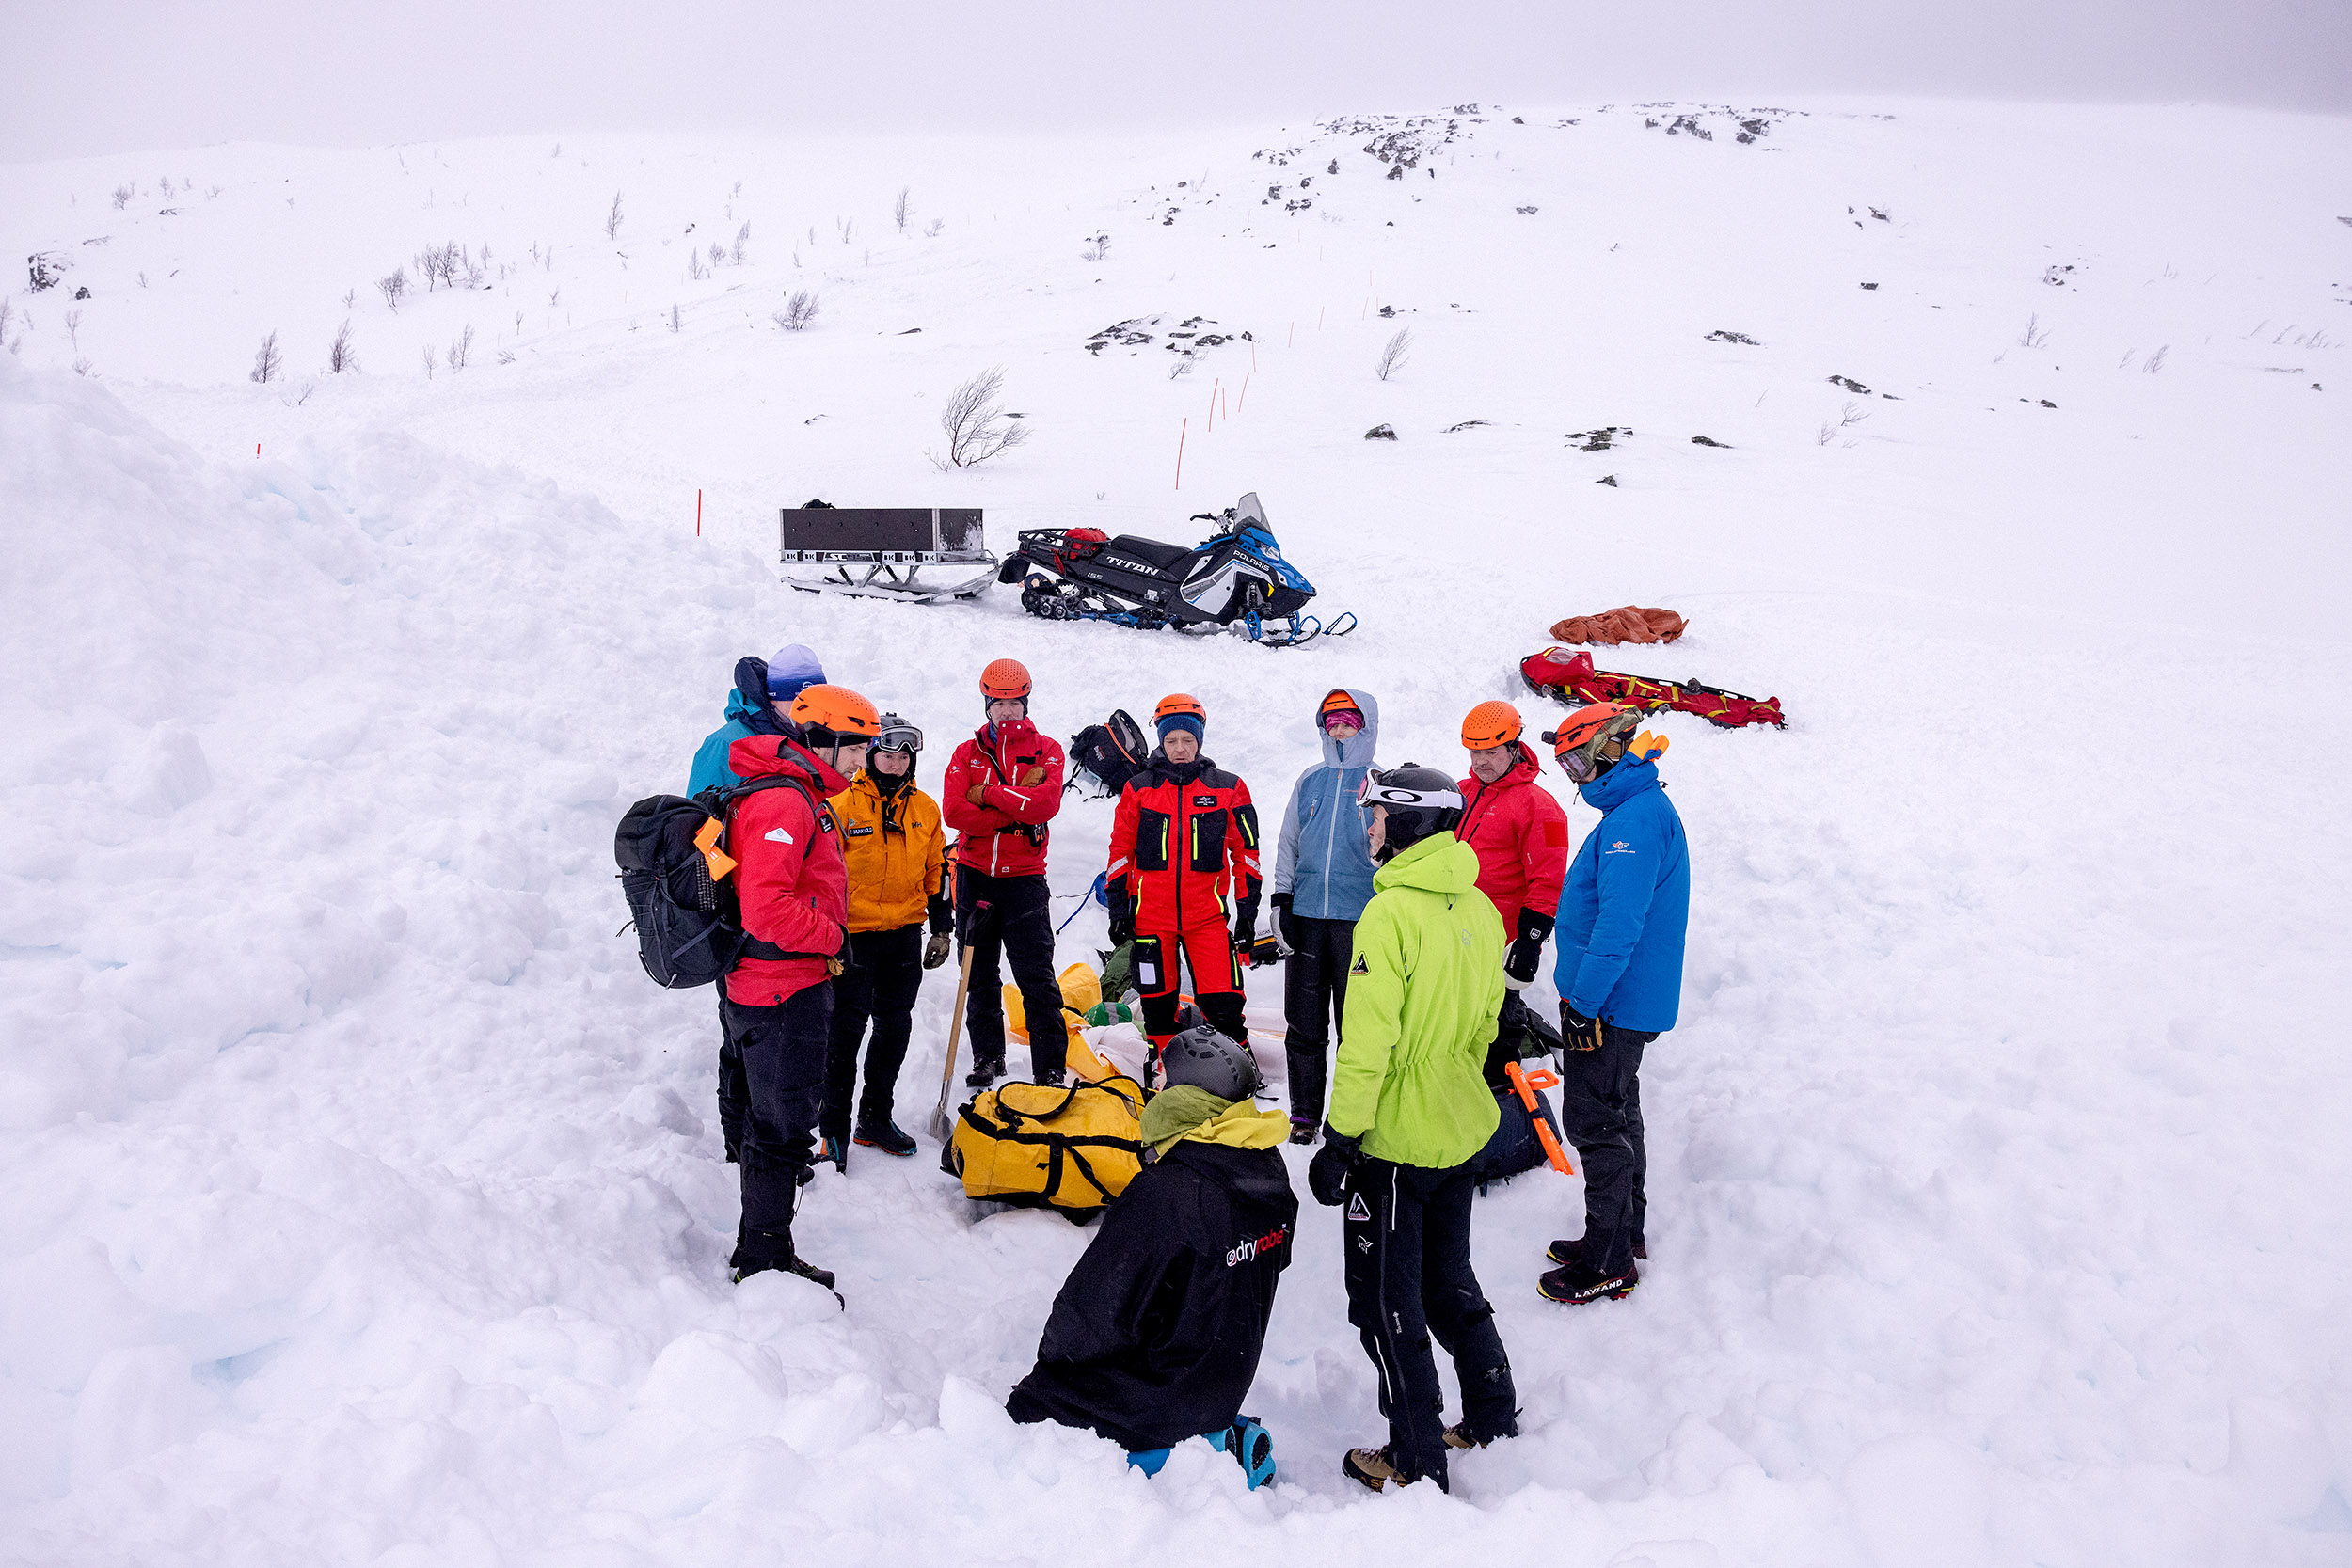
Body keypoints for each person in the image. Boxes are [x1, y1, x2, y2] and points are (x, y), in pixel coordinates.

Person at [1309, 764, 1519, 1494]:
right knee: (1446, 1277)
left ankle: (1416, 1453)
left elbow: (1367, 1044)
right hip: (1459, 1127)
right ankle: (1492, 1409)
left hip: (1394, 1144)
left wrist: (1341, 1140)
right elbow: (1489, 1024)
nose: (1368, 827)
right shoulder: (1480, 906)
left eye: (1375, 816)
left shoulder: (1389, 914)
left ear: (1405, 823)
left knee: (1383, 1301)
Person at [1007, 1022, 1294, 1489]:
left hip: (1157, 1397)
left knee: (1030, 1409)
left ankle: (1186, 1454)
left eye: (1161, 1082)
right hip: (1221, 1382)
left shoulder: (1167, 1192)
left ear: (1187, 1098)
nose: (1153, 1092)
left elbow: (1090, 1315)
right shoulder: (1266, 1170)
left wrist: (1055, 1363)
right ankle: (1214, 1439)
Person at [719, 683, 879, 1298]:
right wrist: (833, 935)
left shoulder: (791, 791)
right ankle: (763, 1257)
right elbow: (767, 909)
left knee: (776, 1121)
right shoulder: (785, 802)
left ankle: (763, 1245)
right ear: (826, 740)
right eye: (855, 750)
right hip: (780, 988)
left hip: (776, 984)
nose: (860, 764)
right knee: (781, 1127)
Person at [1535, 704, 1689, 1307]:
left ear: (1608, 750)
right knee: (1619, 1113)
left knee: (1596, 1123)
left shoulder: (1631, 822)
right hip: (1619, 1001)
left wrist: (1584, 1005)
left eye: (1578, 761)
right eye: (1564, 764)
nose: (1574, 776)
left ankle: (1609, 1260)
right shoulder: (1636, 809)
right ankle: (1621, 1235)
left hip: (1611, 1006)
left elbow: (1619, 925)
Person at [818, 713, 954, 1170]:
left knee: (894, 1026)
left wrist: (941, 926)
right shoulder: (841, 804)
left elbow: (938, 871)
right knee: (845, 1031)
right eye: (886, 755)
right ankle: (832, 1128)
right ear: (870, 755)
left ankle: (874, 1117)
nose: (895, 764)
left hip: (903, 936)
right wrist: (828, 933)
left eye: (903, 757)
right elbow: (823, 873)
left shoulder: (925, 810)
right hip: (852, 936)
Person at [1105, 695, 1263, 1074]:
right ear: (1161, 741)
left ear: (1200, 742)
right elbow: (1120, 850)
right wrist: (1117, 907)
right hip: (1151, 919)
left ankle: (1239, 1068)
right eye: (1172, 741)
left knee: (1224, 1001)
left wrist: (1247, 912)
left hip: (1206, 918)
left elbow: (1247, 854)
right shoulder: (1140, 788)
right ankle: (1164, 1067)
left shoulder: (1228, 788)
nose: (1180, 749)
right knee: (1157, 1004)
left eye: (1188, 741)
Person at [944, 658, 1070, 1086]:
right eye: (998, 703)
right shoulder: (966, 753)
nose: (1006, 711)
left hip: (1025, 879)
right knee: (978, 975)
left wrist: (989, 795)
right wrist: (1012, 810)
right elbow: (956, 811)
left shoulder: (1048, 750)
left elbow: (1045, 805)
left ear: (1026, 702)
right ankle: (988, 1058)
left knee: (1036, 976)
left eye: (1014, 702)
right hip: (975, 875)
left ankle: (1049, 1065)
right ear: (986, 704)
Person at [1272, 689, 1381, 1144]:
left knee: (1356, 1029)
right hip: (1309, 915)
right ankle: (1303, 1115)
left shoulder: (1379, 780)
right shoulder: (1309, 780)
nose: (1339, 730)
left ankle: (1350, 1118)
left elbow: (1390, 851)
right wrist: (1281, 898)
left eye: (1349, 722)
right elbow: (1289, 843)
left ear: (1366, 727)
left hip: (1361, 920)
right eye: (1332, 722)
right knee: (1304, 1022)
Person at [1455, 700, 1569, 1085]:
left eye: (1491, 751)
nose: (1481, 761)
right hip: (1453, 941)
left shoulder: (1540, 806)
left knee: (1498, 1030)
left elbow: (1548, 882)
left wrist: (1529, 944)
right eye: (1475, 752)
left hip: (1499, 944)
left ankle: (1501, 1104)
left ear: (1514, 747)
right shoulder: (1462, 792)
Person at [690, 644, 827, 795]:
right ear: (776, 696)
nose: (809, 709)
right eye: (798, 700)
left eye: (816, 701)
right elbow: (699, 813)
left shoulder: (814, 736)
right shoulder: (724, 744)